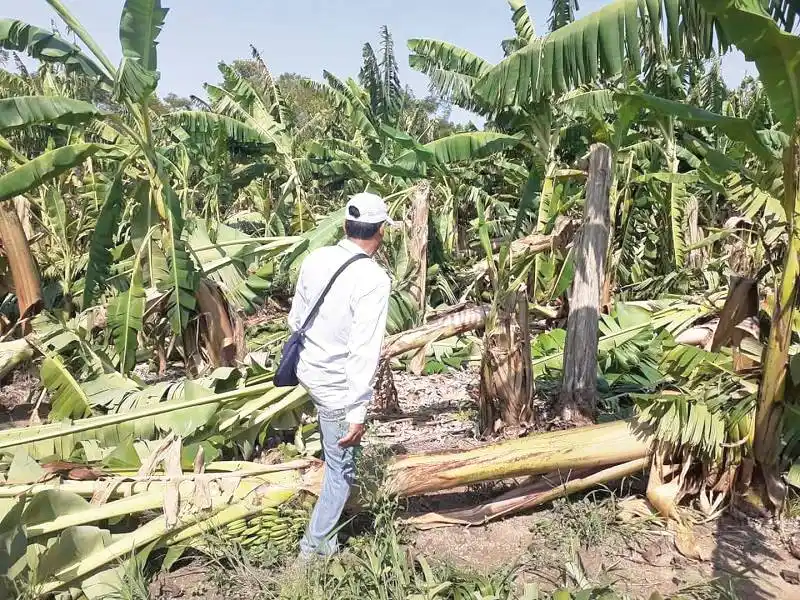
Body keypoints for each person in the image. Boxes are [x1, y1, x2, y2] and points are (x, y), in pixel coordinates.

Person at [289, 192, 393, 558]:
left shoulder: (316, 258)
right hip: (335, 388)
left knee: (334, 455)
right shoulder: (374, 279)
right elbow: (364, 352)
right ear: (380, 231)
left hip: (309, 372)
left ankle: (325, 542)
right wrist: (357, 414)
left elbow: (295, 320)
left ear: (347, 226)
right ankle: (314, 552)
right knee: (341, 473)